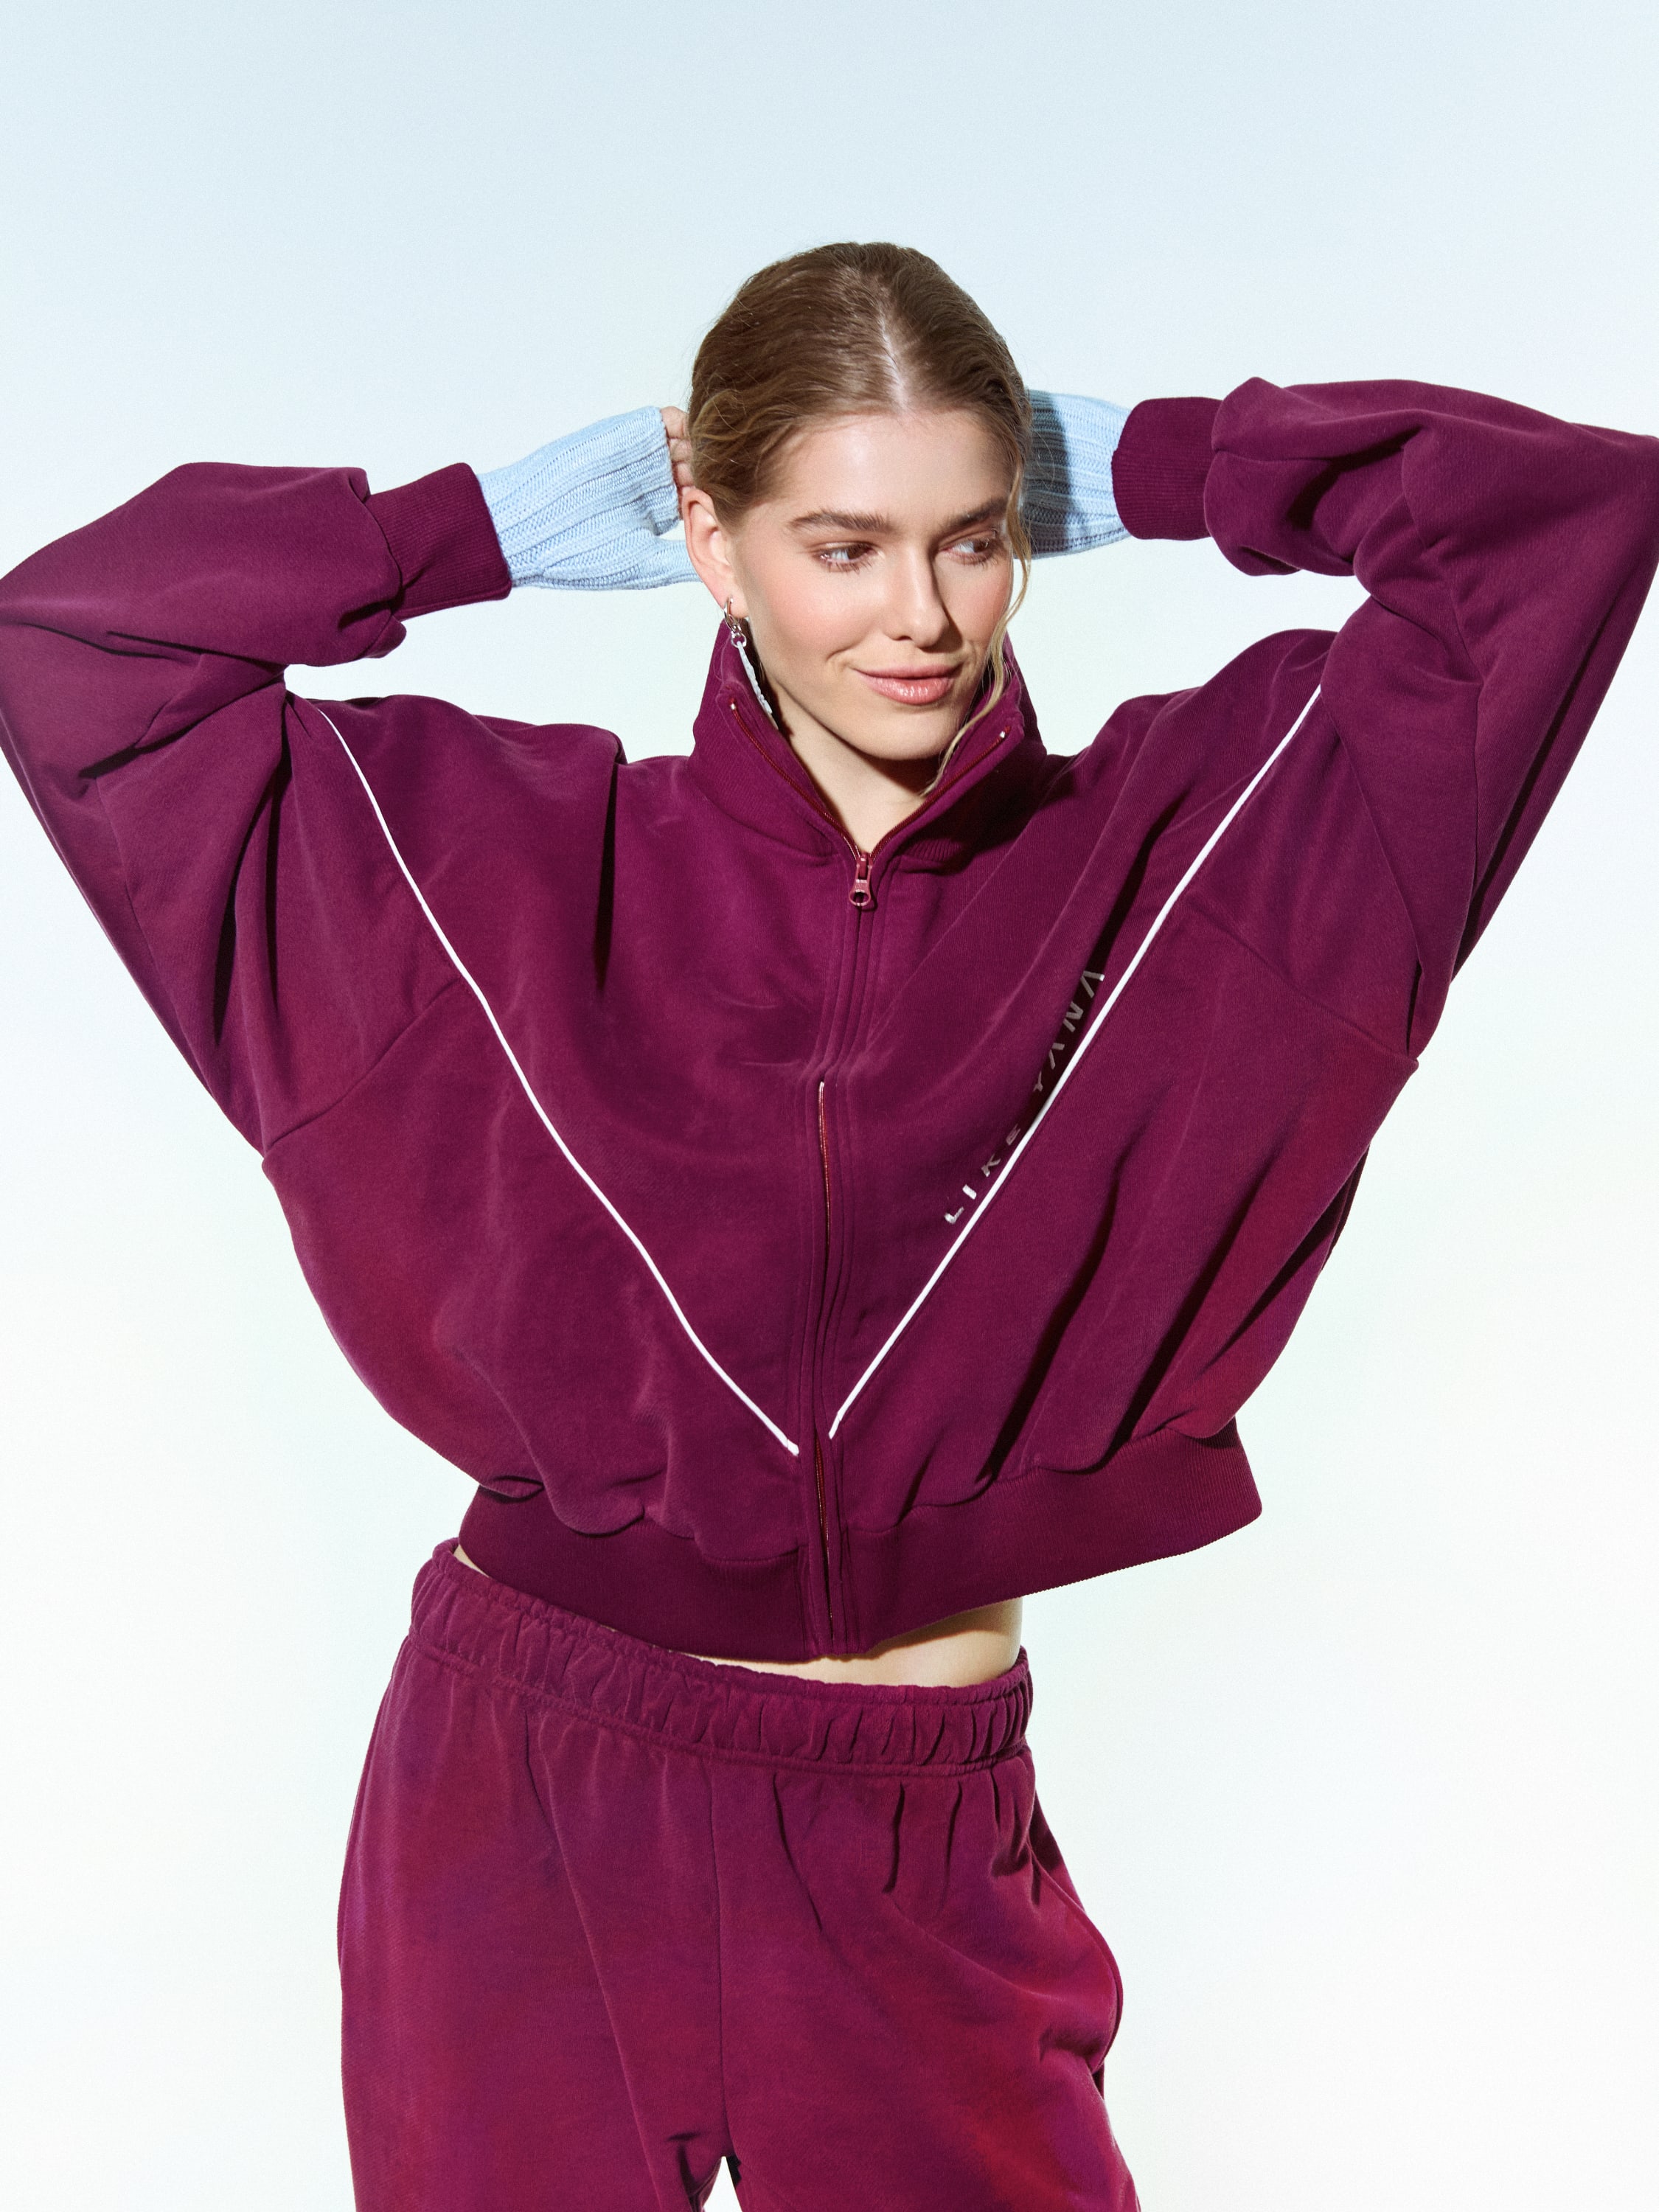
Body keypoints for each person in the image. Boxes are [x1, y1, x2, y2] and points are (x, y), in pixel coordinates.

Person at [1, 240, 1655, 2211]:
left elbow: (1560, 517)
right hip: (524, 1797)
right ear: (710, 538)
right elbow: (77, 644)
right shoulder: (488, 862)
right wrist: (479, 531)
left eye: (973, 539)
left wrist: (1143, 465)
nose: (919, 617)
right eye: (842, 547)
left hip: (913, 1843)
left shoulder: (1214, 840)